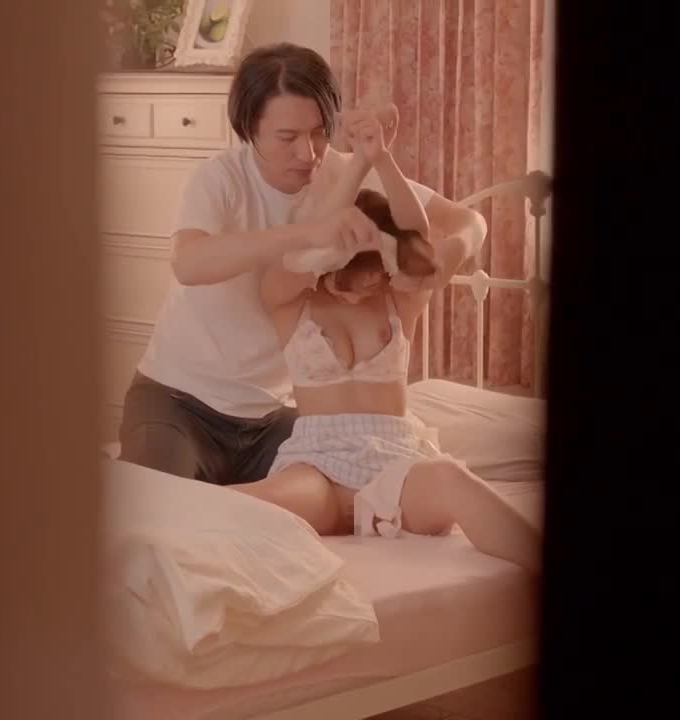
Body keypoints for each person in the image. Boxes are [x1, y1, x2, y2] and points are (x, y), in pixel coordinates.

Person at [117, 42, 487, 487]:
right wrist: (309, 234)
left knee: (361, 484)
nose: (308, 153)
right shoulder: (219, 179)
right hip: (178, 402)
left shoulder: (346, 170)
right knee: (158, 506)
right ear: (249, 129)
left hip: (275, 419)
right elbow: (190, 264)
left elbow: (469, 220)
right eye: (287, 137)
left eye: (319, 133)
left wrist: (456, 248)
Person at [230, 113, 541, 573]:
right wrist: (346, 202)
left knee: (451, 477)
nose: (356, 294)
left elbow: (420, 242)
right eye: (343, 283)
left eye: (370, 281)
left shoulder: (400, 302)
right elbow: (308, 251)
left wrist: (383, 160)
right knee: (234, 505)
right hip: (317, 465)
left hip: (397, 462)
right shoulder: (290, 300)